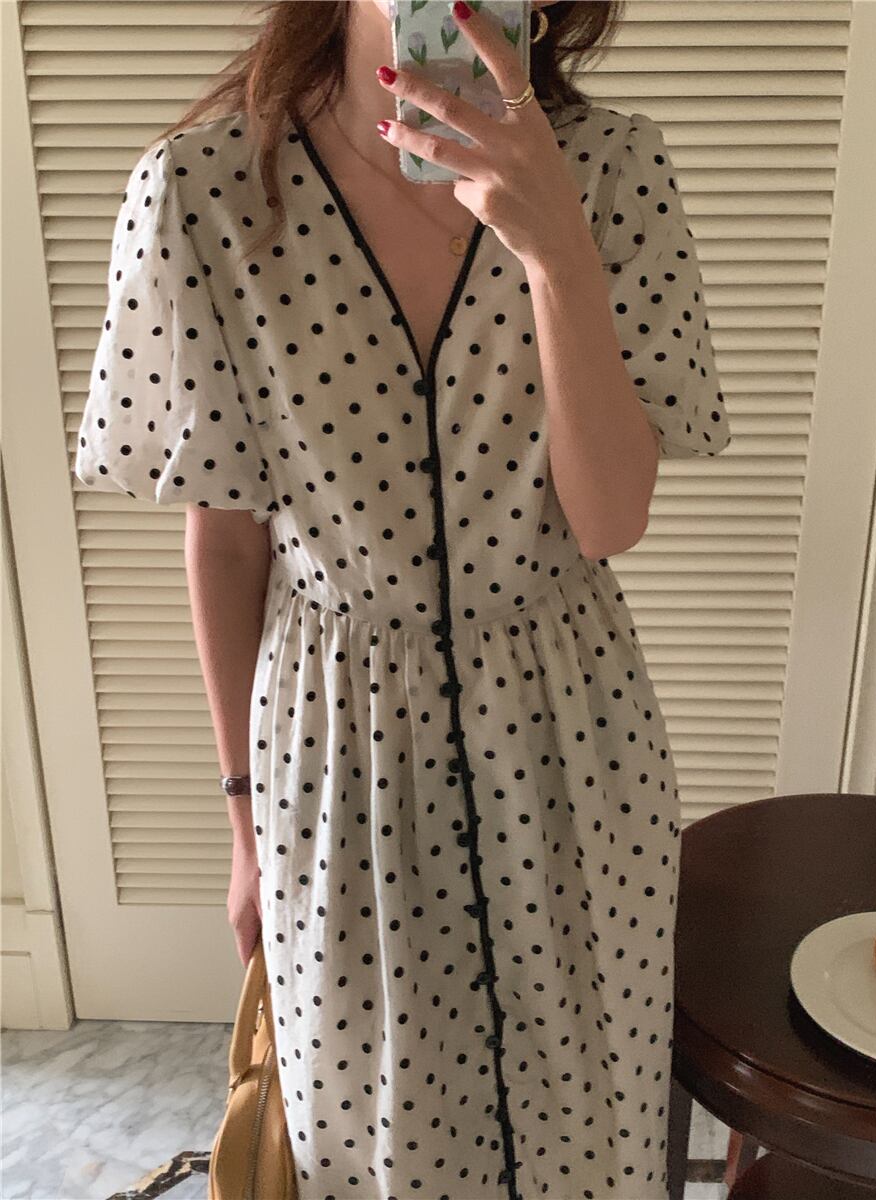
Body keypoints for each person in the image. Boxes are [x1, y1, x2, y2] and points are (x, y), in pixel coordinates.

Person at [73, 2, 731, 1196]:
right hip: (335, 760)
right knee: (373, 1136)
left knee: (592, 1132)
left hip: (573, 749)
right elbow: (227, 543)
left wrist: (557, 252)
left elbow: (609, 519)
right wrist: (242, 829)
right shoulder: (205, 192)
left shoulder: (613, 171)